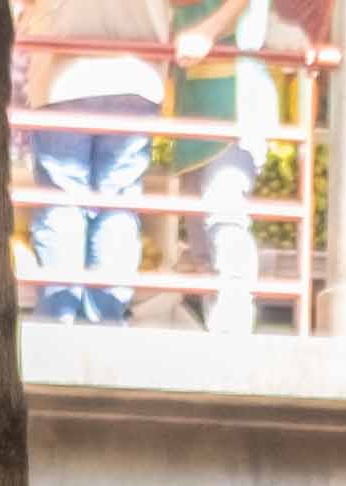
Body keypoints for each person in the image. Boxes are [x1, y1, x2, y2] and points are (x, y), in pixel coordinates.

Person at [21, 0, 164, 321]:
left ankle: (59, 318)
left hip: (63, 71)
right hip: (137, 72)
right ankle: (105, 319)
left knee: (61, 200)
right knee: (118, 203)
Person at [174, 0, 297, 334]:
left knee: (224, 208)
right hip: (194, 97)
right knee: (198, 229)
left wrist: (205, 32)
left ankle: (234, 320)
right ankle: (217, 323)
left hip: (237, 95)